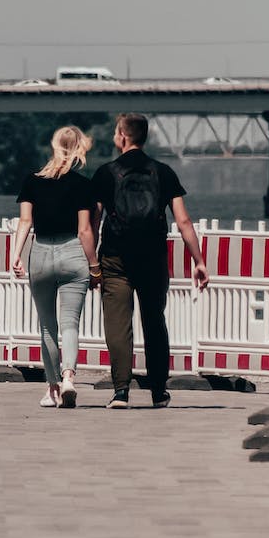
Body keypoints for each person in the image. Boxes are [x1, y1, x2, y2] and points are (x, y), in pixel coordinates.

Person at [91, 112, 210, 409]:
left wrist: (91, 261)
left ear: (122, 136)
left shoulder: (106, 173)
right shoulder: (163, 172)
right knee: (154, 321)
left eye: (116, 132)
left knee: (118, 325)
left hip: (115, 257)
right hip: (153, 257)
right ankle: (158, 391)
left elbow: (93, 221)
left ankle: (121, 391)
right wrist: (198, 261)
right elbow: (184, 221)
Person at [9, 125, 100, 408]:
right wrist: (94, 265)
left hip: (40, 253)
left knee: (47, 326)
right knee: (70, 323)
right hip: (72, 252)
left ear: (54, 145)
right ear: (79, 149)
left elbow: (25, 221)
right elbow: (85, 230)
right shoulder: (83, 185)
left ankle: (52, 389)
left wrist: (16, 254)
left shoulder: (32, 181)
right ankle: (69, 377)